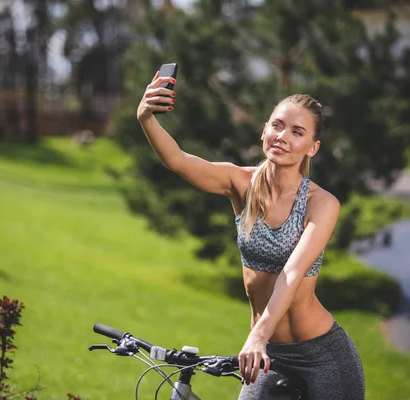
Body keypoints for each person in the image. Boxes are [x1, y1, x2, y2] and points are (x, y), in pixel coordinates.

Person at [136, 71, 366, 400]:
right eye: (277, 125)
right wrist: (146, 118)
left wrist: (257, 335)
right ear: (264, 131)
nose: (283, 136)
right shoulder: (240, 184)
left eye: (297, 132)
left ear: (312, 148)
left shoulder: (321, 204)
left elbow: (292, 273)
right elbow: (178, 161)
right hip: (269, 354)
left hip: (323, 356)